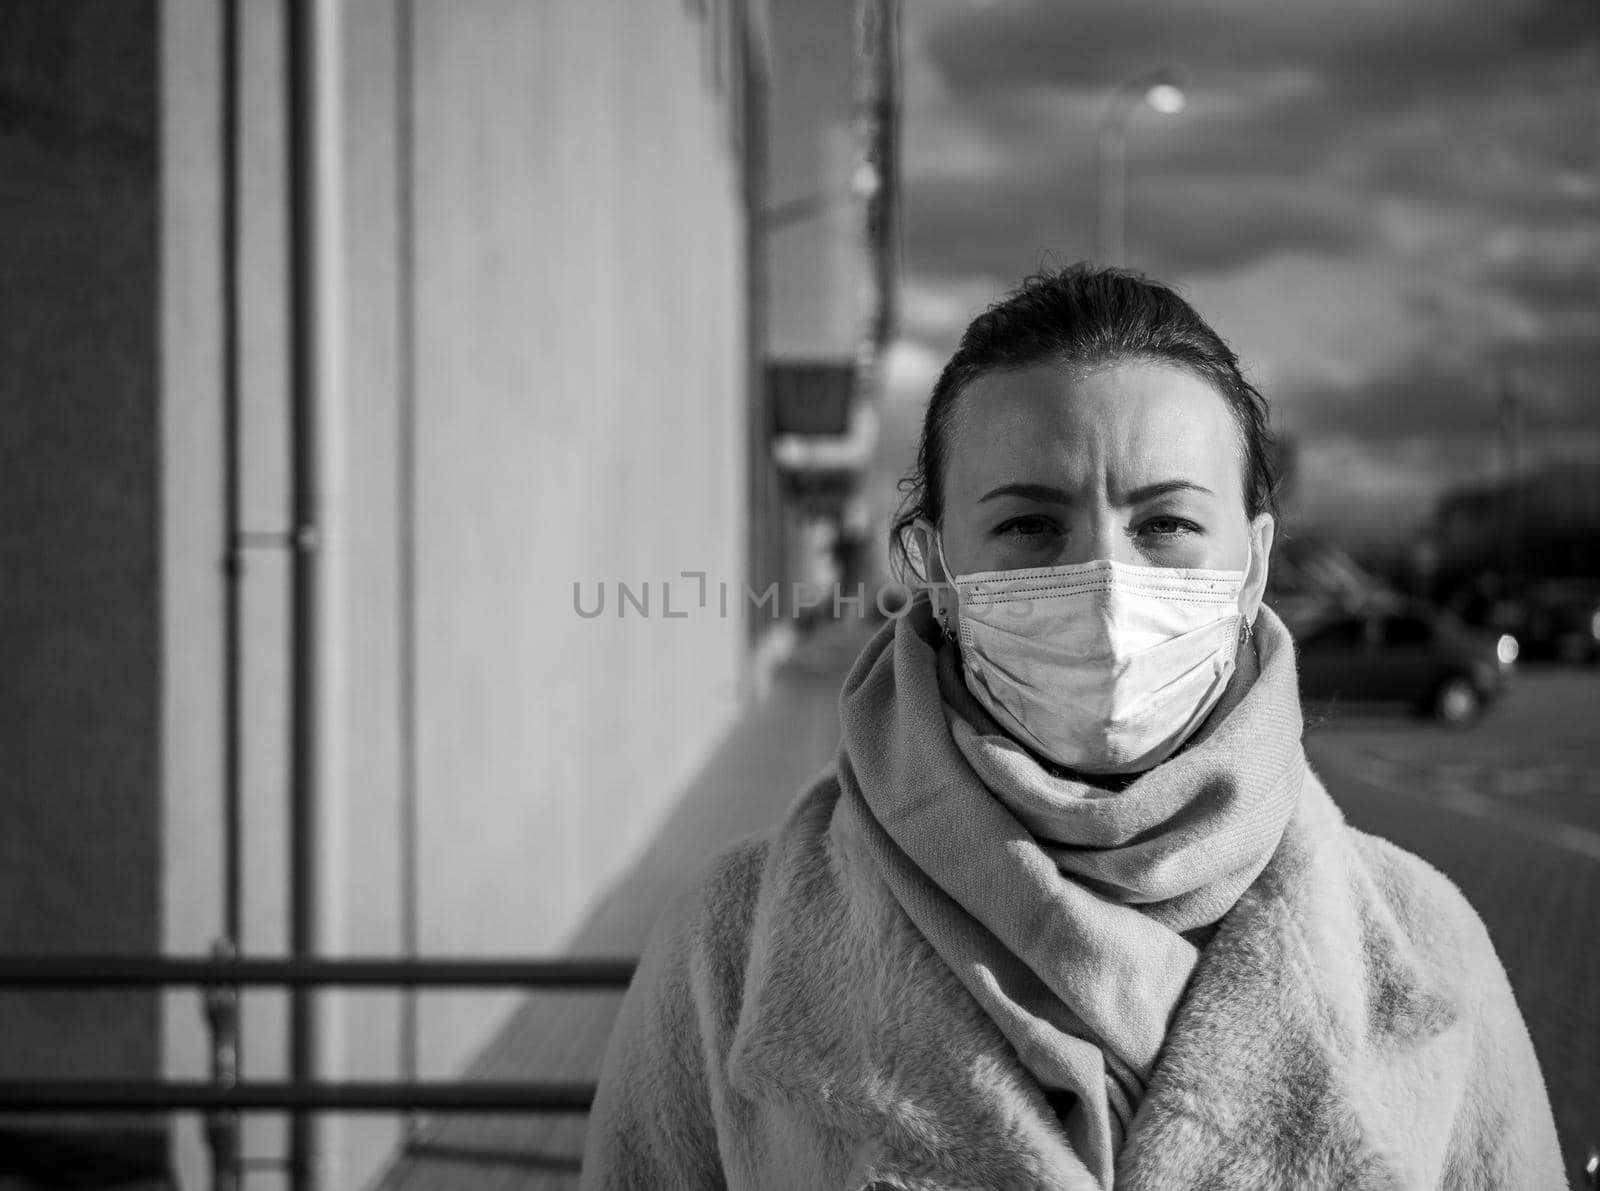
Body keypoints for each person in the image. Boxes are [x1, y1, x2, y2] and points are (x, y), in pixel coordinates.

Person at [580, 265, 1564, 1190]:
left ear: (1253, 563)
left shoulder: (1428, 947)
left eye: (1166, 524)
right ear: (934, 567)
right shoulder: (730, 946)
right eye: (1027, 526)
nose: (1106, 585)